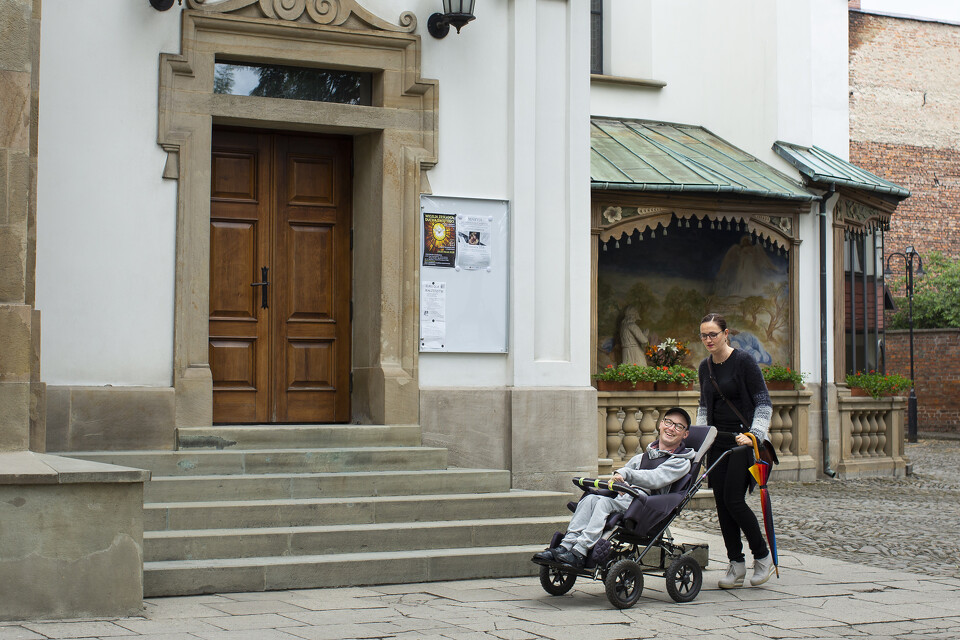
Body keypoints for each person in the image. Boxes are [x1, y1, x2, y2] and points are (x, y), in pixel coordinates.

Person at [534, 408, 695, 569]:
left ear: (685, 434)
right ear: (661, 424)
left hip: (645, 507)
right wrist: (619, 483)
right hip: (626, 500)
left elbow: (655, 478)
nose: (671, 428)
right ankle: (565, 546)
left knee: (604, 504)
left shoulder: (680, 462)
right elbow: (622, 476)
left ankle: (580, 552)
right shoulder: (642, 457)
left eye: (679, 426)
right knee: (590, 499)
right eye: (668, 422)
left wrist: (625, 475)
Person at [695, 312, 776, 588]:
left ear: (726, 334)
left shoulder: (744, 361)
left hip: (742, 443)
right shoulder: (705, 367)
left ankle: (762, 556)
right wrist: (700, 440)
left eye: (713, 334)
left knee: (734, 500)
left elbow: (763, 402)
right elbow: (704, 407)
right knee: (721, 504)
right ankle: (736, 564)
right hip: (717, 443)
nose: (708, 339)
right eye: (704, 335)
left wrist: (754, 435)